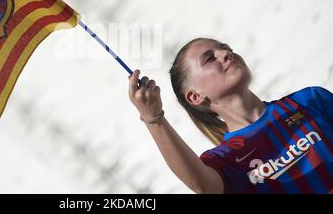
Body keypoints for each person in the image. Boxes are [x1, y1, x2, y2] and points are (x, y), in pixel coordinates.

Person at [128, 37, 333, 193]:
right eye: (209, 59)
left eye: (226, 49)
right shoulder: (224, 161)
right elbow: (203, 186)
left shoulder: (310, 100)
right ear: (195, 96)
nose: (226, 53)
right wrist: (153, 118)